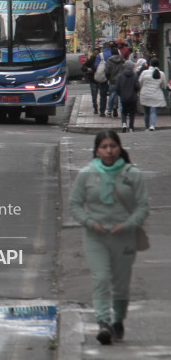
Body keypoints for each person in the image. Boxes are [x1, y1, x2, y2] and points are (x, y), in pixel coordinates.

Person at [69, 131, 149, 345]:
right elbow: (75, 204)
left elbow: (143, 207)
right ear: (96, 151)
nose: (109, 150)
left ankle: (118, 320)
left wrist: (127, 225)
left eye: (113, 146)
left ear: (119, 149)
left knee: (121, 284)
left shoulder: (132, 174)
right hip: (96, 237)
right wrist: (90, 222)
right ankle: (103, 323)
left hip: (124, 238)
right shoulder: (86, 174)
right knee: (101, 278)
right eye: (104, 147)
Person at [138, 57, 167, 131]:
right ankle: (152, 125)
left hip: (145, 94)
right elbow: (164, 85)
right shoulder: (161, 74)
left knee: (146, 112)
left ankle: (146, 127)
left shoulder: (144, 72)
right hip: (155, 94)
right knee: (153, 111)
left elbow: (139, 82)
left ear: (150, 63)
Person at [115, 60, 140, 133]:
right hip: (132, 97)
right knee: (132, 112)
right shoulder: (134, 75)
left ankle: (124, 124)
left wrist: (120, 94)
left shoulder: (120, 76)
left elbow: (117, 87)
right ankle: (131, 127)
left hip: (123, 97)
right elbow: (137, 86)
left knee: (124, 112)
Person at [93, 42, 114, 117]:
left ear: (103, 48)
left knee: (103, 95)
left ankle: (102, 111)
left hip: (103, 77)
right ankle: (113, 110)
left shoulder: (100, 55)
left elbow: (96, 66)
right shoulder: (114, 54)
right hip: (113, 77)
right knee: (113, 94)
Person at [104, 44, 125, 118]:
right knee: (121, 96)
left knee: (112, 96)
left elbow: (107, 71)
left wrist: (108, 78)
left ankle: (109, 111)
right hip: (121, 80)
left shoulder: (109, 61)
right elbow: (124, 70)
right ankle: (122, 111)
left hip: (112, 80)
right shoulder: (122, 60)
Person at [81, 48, 101, 114]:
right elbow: (83, 67)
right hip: (93, 79)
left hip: (101, 79)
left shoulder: (101, 60)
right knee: (94, 95)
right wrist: (87, 68)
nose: (96, 54)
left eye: (97, 53)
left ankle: (101, 109)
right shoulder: (91, 60)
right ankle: (95, 108)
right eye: (95, 53)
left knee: (102, 95)